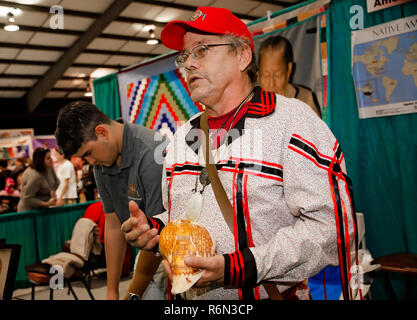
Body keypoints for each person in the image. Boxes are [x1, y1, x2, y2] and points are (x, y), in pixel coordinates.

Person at [121, 7, 358, 300]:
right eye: (185, 56)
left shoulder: (292, 122)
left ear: (243, 56)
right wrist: (156, 230)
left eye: (202, 50)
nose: (189, 64)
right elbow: (185, 213)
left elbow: (330, 229)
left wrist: (240, 267)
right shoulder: (182, 137)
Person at [54, 101, 167, 300]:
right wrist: (111, 291)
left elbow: (156, 234)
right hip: (147, 253)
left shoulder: (152, 153)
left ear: (102, 132)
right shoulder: (101, 162)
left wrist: (131, 294)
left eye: (88, 153)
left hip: (173, 254)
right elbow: (114, 225)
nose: (90, 163)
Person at [258, 35, 322, 117]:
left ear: (288, 70)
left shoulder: (305, 99)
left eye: (277, 75)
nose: (271, 84)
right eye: (266, 75)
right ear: (258, 74)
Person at [17, 148, 58, 212]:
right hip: (28, 211)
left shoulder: (49, 168)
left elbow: (56, 182)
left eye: (51, 157)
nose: (51, 159)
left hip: (43, 209)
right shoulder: (34, 176)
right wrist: (47, 203)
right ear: (40, 160)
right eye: (48, 158)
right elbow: (27, 198)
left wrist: (52, 191)